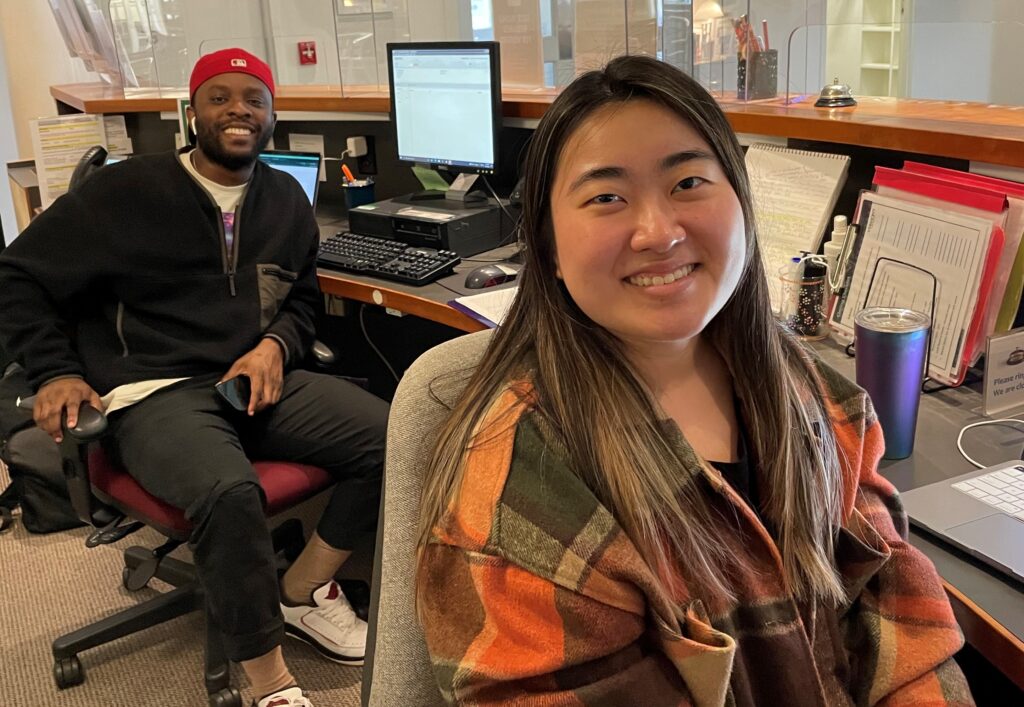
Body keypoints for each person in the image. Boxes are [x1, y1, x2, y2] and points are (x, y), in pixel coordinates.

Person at [415, 55, 974, 706]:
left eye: (687, 183)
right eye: (607, 197)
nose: (659, 231)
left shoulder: (815, 394)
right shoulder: (520, 498)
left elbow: (900, 620)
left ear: (740, 199)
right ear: (548, 247)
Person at [0, 49, 387, 707]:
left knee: (396, 432)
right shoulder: (127, 192)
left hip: (249, 381)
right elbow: (18, 274)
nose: (238, 108)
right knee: (226, 489)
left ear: (271, 115)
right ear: (193, 111)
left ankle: (301, 590)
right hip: (152, 392)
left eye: (253, 98)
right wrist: (57, 370)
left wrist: (274, 345)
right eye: (220, 96)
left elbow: (298, 299)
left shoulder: (286, 199)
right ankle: (272, 683)